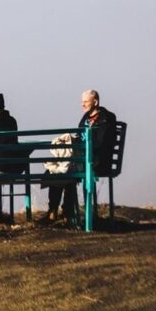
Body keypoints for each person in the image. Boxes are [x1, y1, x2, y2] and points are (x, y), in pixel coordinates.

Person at [45, 89, 117, 223]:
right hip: (83, 157)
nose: (82, 105)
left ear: (95, 102)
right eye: (81, 102)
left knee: (65, 169)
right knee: (57, 168)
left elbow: (100, 144)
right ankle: (56, 211)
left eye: (85, 102)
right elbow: (80, 136)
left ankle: (63, 212)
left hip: (96, 160)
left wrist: (79, 149)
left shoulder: (106, 119)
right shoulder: (86, 117)